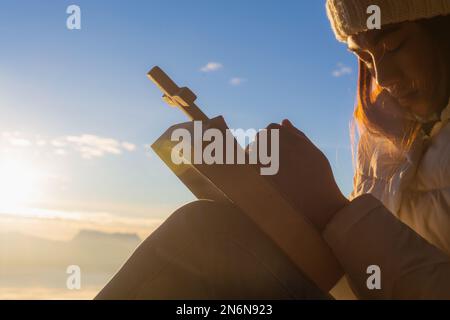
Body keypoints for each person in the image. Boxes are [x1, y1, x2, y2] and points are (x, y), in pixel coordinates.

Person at [96, 0, 450, 300]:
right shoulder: (384, 139)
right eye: (363, 58)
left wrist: (331, 209)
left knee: (202, 233)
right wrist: (285, 211)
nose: (382, 78)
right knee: (212, 247)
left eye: (395, 47)